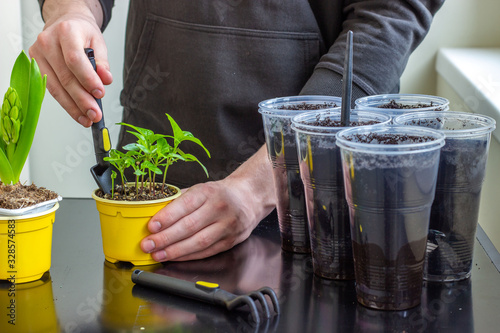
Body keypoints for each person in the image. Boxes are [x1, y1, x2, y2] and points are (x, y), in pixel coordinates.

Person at [31, 0, 445, 262]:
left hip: (311, 205)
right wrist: (71, 10)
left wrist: (263, 181)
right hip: (156, 195)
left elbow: (387, 21)